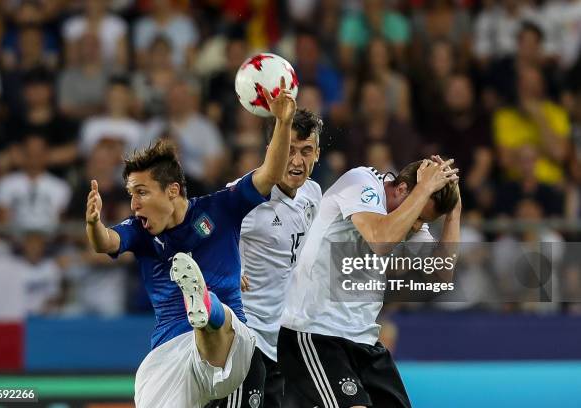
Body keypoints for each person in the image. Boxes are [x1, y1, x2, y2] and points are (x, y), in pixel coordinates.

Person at [85, 78, 296, 408]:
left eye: (141, 193)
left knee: (221, 330)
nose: (134, 204)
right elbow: (106, 242)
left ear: (171, 191)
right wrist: (94, 223)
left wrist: (283, 123)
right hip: (169, 356)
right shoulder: (140, 232)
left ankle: (206, 306)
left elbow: (269, 174)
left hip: (230, 342)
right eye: (130, 195)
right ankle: (204, 307)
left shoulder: (220, 208)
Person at [278, 156, 461, 408]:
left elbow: (441, 277)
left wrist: (454, 213)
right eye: (419, 215)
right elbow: (380, 239)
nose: (418, 225)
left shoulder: (410, 217)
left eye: (425, 221)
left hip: (363, 339)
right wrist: (424, 189)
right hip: (314, 332)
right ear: (402, 189)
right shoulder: (361, 181)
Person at [209, 109, 323, 408]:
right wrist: (226, 265)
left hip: (278, 343)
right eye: (288, 149)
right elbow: (194, 236)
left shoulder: (312, 194)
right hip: (240, 337)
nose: (297, 161)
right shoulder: (244, 197)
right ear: (272, 150)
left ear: (318, 154)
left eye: (306, 151)